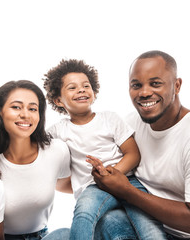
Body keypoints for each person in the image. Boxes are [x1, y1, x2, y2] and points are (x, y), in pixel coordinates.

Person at [92, 50, 190, 240]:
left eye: (155, 83)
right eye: (136, 85)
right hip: (155, 228)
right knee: (106, 221)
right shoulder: (130, 125)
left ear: (177, 85)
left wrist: (127, 192)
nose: (145, 93)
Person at [43, 59, 166, 239]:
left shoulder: (110, 118)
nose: (81, 90)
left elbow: (133, 154)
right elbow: (32, 144)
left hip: (126, 180)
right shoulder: (58, 130)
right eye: (72, 88)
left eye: (86, 85)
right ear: (58, 101)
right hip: (93, 187)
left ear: (94, 92)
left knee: (149, 225)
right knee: (83, 215)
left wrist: (111, 174)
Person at [0, 80, 71, 240]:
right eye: (16, 107)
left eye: (33, 109)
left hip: (41, 236)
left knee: (65, 235)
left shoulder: (56, 150)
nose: (25, 114)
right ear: (0, 112)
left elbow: (67, 184)